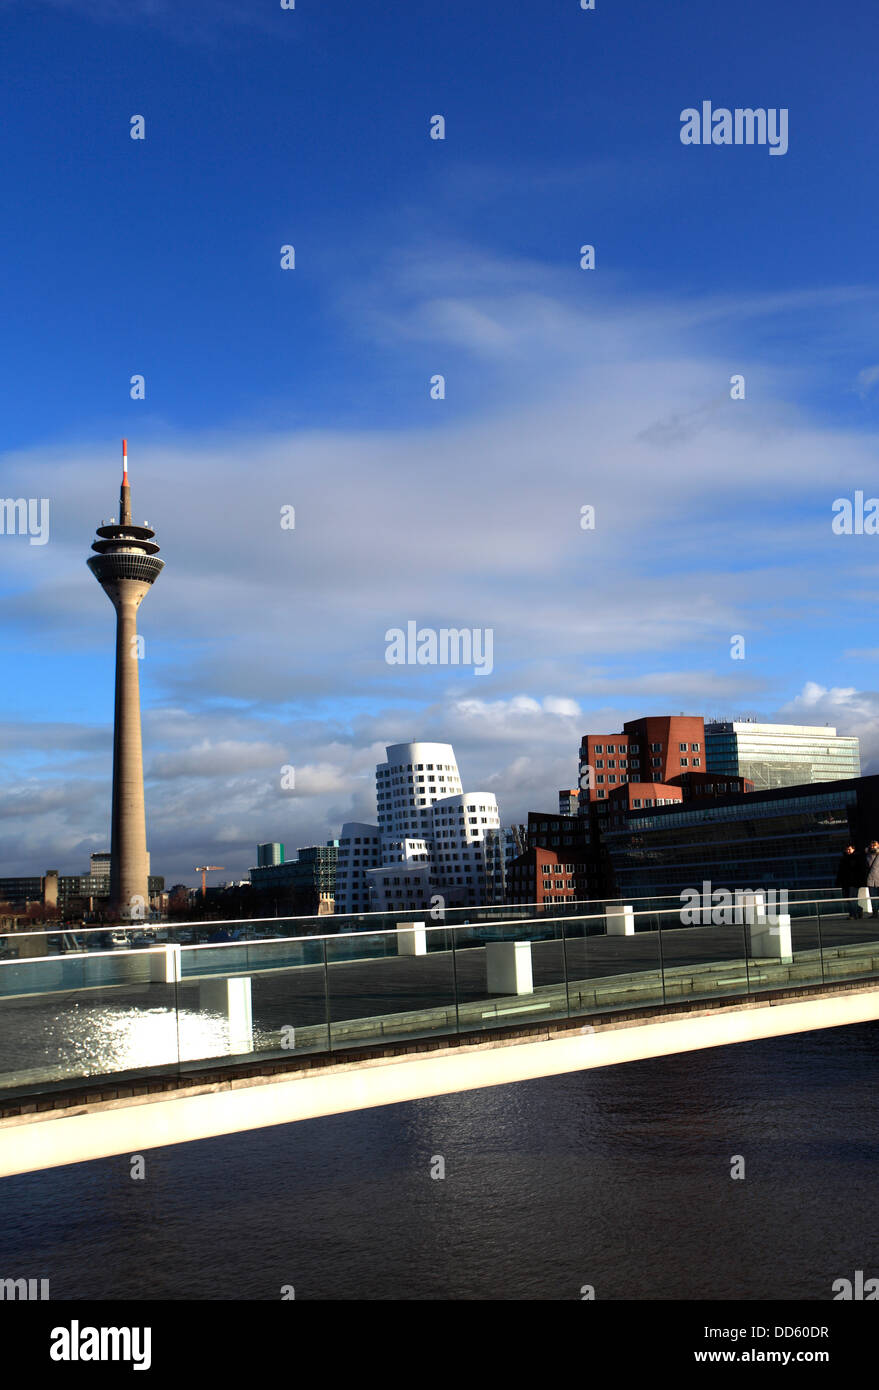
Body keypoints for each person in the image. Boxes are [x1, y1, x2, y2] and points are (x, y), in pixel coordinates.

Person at [836, 844, 866, 918]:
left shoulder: (857, 858)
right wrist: (838, 881)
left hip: (854, 882)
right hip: (845, 883)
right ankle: (859, 909)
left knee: (852, 898)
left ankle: (852, 914)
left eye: (849, 849)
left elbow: (861, 870)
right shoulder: (843, 859)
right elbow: (840, 871)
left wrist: (860, 881)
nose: (848, 851)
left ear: (853, 849)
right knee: (847, 899)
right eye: (847, 849)